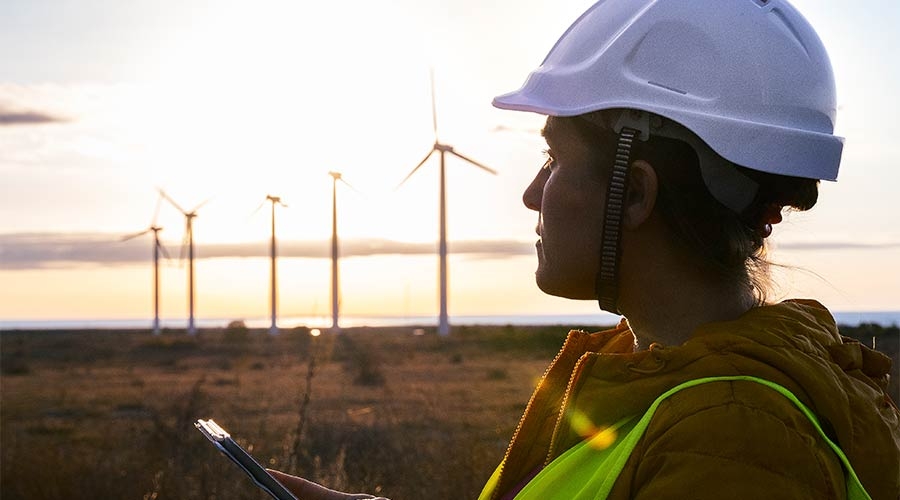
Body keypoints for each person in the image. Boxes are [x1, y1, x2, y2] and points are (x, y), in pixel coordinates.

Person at [271, 0, 900, 498]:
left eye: (553, 159)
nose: (529, 194)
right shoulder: (649, 374)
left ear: (635, 193)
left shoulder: (733, 438)